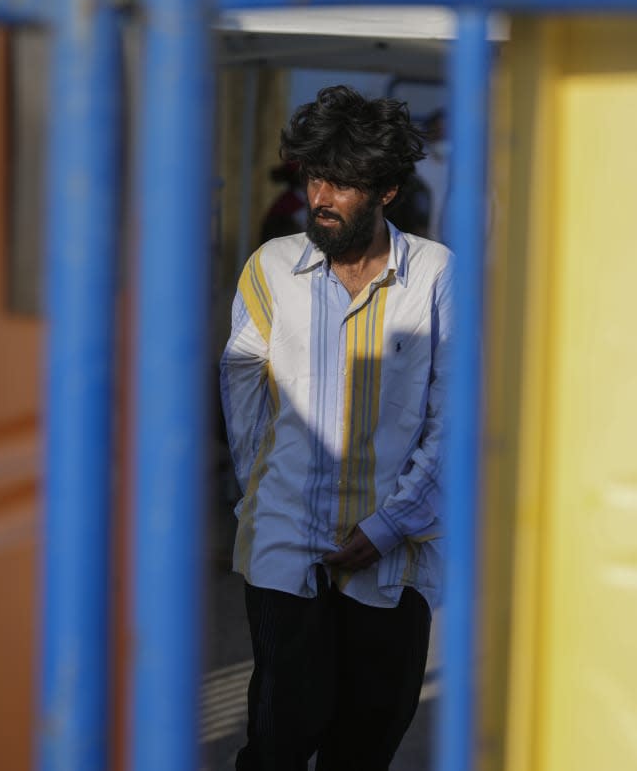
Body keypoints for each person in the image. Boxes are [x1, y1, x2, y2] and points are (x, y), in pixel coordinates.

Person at [220, 85, 451, 771]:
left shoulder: (438, 277)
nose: (322, 194)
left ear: (383, 191)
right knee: (281, 733)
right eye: (315, 174)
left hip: (395, 553)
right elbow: (244, 399)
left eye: (343, 181)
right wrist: (268, 497)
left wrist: (388, 524)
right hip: (285, 546)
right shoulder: (269, 270)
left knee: (367, 737)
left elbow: (454, 416)